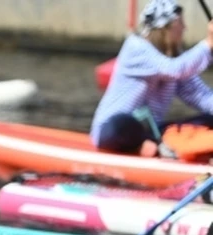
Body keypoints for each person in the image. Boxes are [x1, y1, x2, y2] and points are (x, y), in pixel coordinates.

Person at [91, 0, 213, 157]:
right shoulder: (136, 48)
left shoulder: (176, 58)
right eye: (180, 22)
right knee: (124, 123)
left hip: (152, 131)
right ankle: (150, 146)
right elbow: (174, 69)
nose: (185, 28)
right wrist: (209, 43)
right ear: (165, 27)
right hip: (113, 131)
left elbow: (201, 95)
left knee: (208, 119)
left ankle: (157, 146)